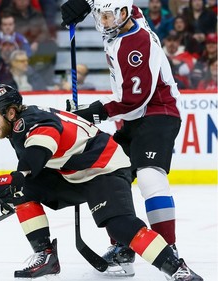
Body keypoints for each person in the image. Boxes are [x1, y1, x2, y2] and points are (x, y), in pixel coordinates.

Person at [0, 84, 203, 280]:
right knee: (21, 190)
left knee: (119, 226)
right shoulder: (21, 121)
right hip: (75, 173)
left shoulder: (29, 124)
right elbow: (37, 161)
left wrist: (19, 176)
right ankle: (46, 256)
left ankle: (178, 270)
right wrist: (17, 189)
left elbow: (41, 147)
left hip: (105, 169)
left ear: (10, 112)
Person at [61, 0, 185, 277]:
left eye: (108, 16)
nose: (103, 22)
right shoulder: (128, 19)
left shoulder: (135, 44)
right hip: (132, 120)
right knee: (110, 176)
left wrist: (93, 111)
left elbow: (135, 101)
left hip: (158, 112)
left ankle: (168, 248)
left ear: (124, 14)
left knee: (150, 176)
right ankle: (123, 247)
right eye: (100, 16)